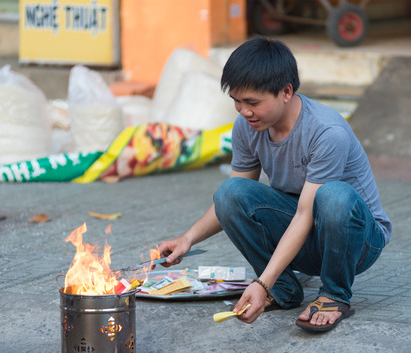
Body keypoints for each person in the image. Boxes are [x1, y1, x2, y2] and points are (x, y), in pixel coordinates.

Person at [157, 37, 392, 332]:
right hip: (305, 237)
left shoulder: (327, 132)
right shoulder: (247, 126)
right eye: (237, 102)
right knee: (229, 193)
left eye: (253, 102)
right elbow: (233, 198)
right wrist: (187, 239)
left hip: (357, 241)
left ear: (286, 92)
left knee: (334, 196)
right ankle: (282, 290)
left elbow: (306, 213)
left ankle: (334, 294)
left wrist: (259, 281)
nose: (244, 111)